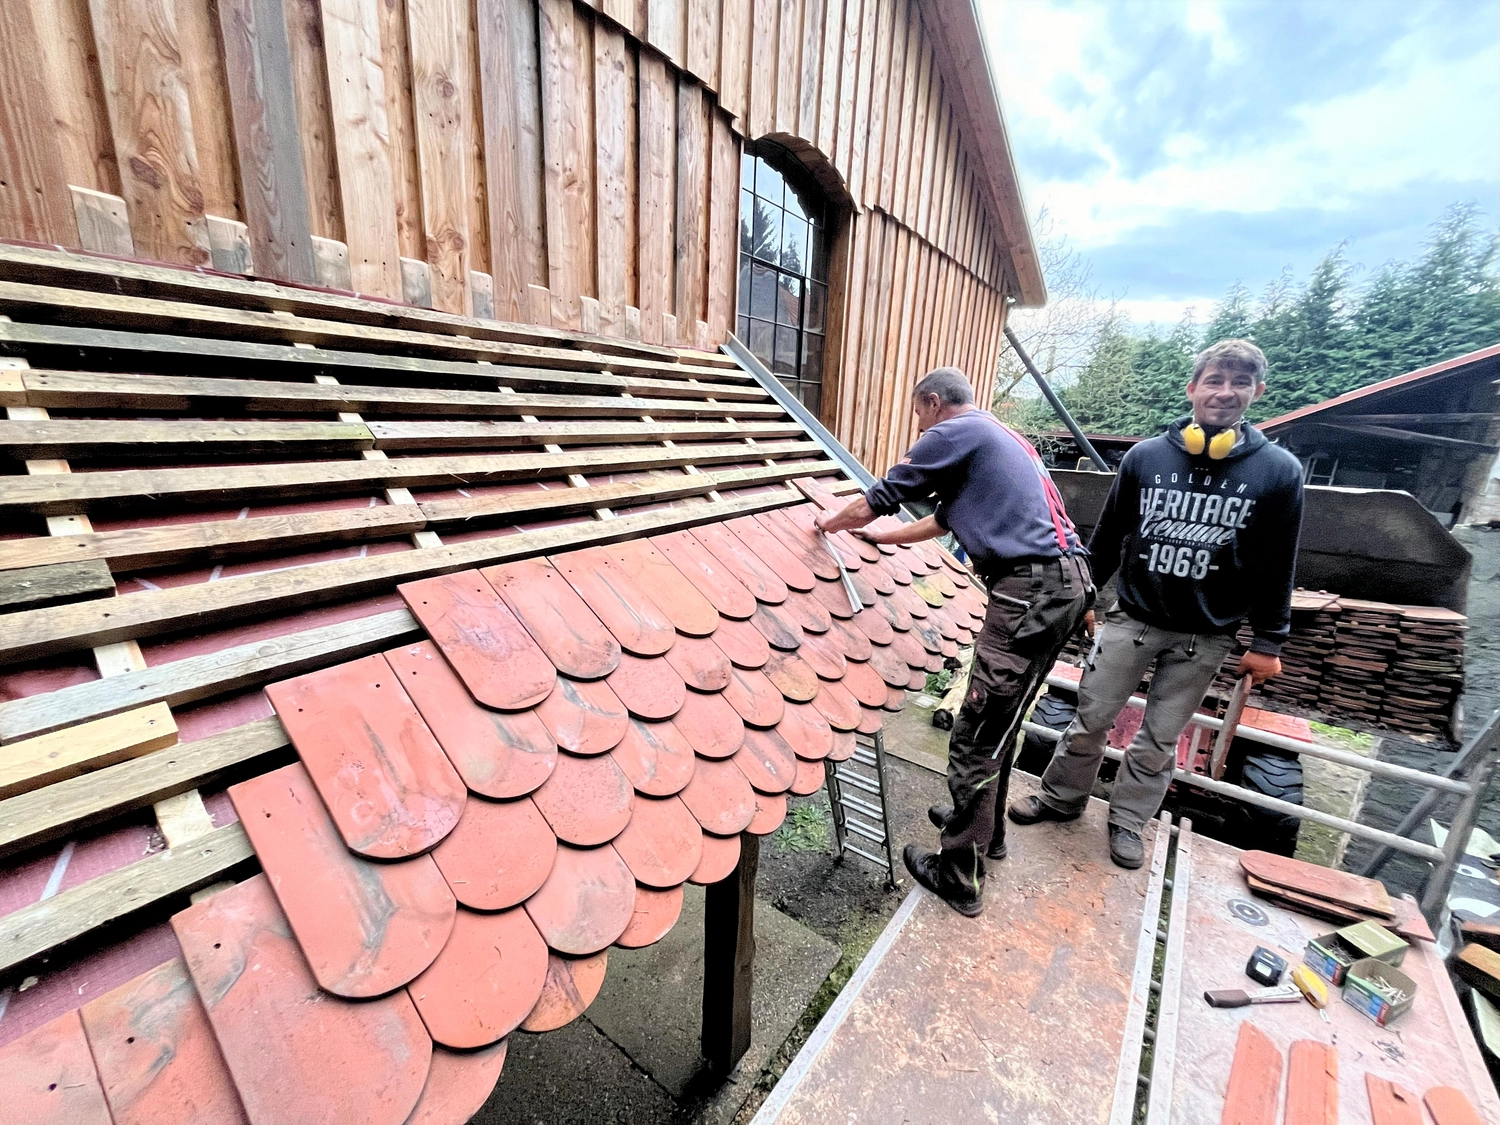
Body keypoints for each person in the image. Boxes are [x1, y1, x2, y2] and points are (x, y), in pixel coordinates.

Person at [1008, 339, 1305, 868]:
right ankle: (1061, 800)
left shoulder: (1279, 472)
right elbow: (1109, 536)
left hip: (1206, 635)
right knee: (1089, 720)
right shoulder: (1146, 458)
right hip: (1133, 620)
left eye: (1240, 382)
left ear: (1258, 392)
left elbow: (1278, 560)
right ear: (1193, 388)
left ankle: (1126, 822)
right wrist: (1084, 598)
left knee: (1159, 739)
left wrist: (1268, 640)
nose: (1225, 392)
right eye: (1214, 380)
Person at [815, 367, 1093, 917]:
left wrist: (831, 523)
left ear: (934, 402)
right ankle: (987, 833)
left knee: (978, 730)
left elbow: (884, 495)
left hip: (1027, 592)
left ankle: (959, 873)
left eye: (919, 414)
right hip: (1065, 586)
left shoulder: (951, 433)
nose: (919, 427)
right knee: (1005, 722)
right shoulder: (1000, 439)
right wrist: (877, 537)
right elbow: (940, 520)